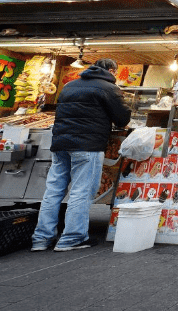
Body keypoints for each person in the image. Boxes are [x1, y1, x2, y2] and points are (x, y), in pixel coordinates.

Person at [31, 58, 132, 252]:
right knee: (81, 191)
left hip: (60, 145)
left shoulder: (70, 86)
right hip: (87, 146)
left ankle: (41, 238)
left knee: (53, 191)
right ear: (111, 70)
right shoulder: (108, 88)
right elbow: (122, 118)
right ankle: (72, 237)